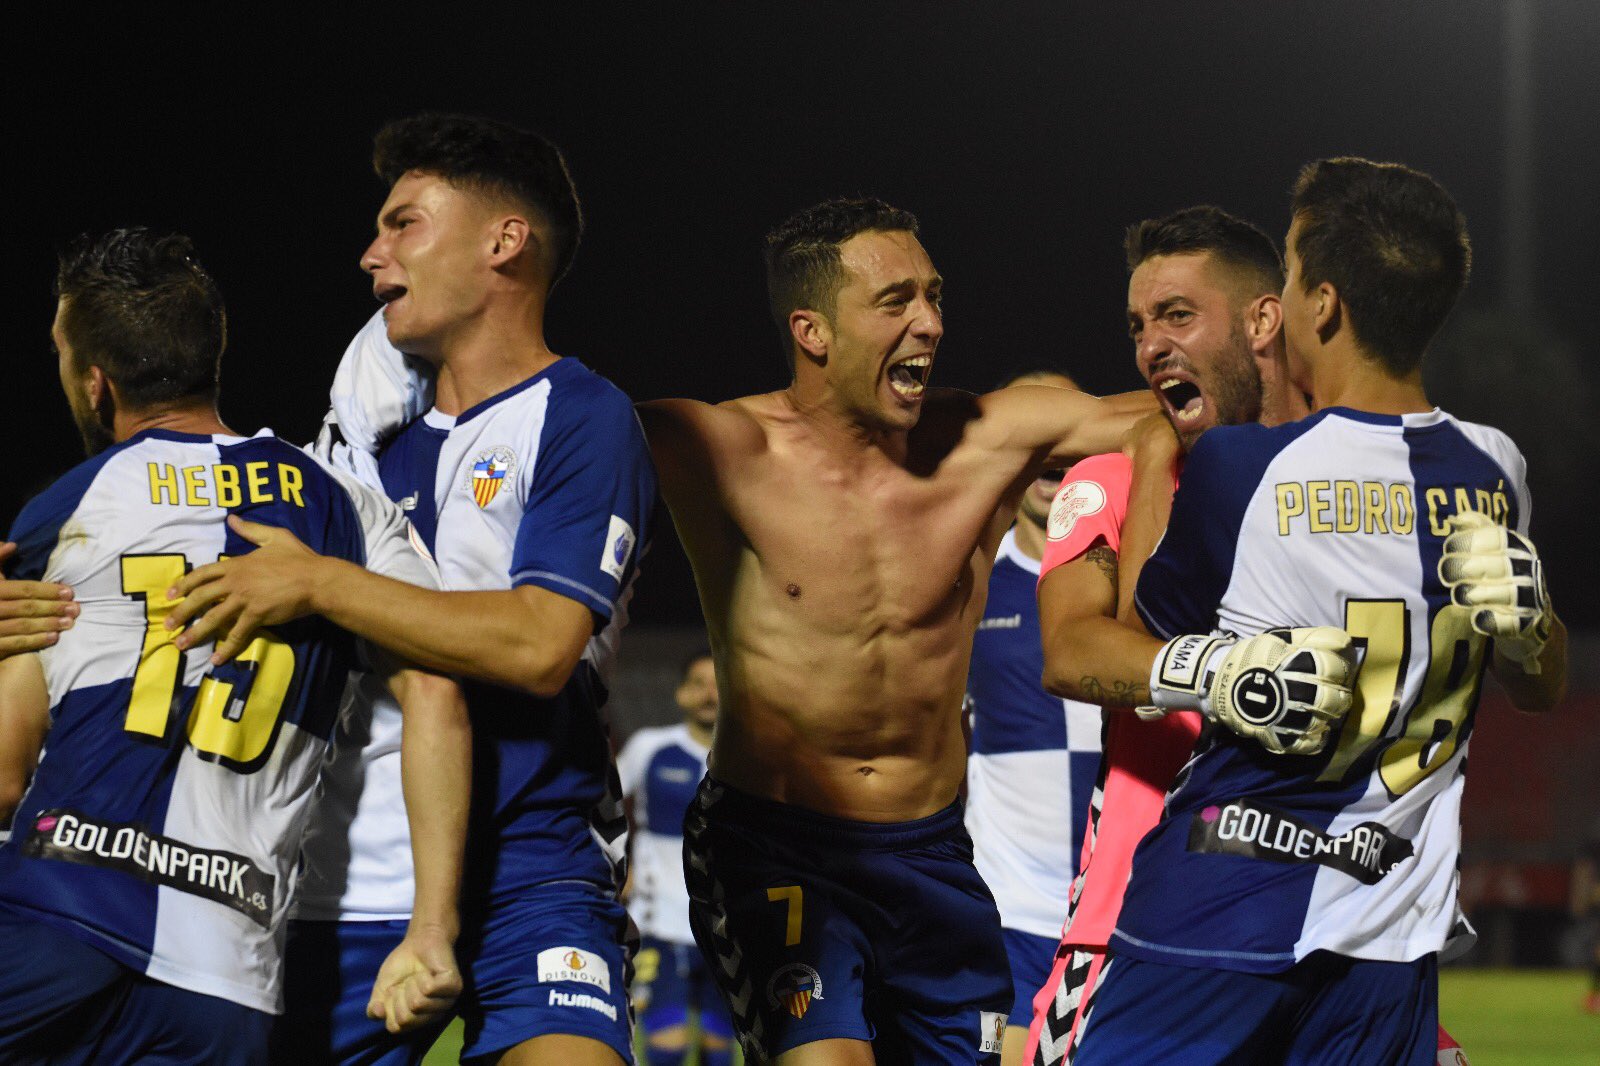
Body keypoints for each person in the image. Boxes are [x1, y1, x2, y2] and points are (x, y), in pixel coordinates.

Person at [635, 197, 1351, 1064]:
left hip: (933, 851)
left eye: (934, 295)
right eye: (896, 301)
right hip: (781, 848)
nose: (930, 323)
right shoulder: (720, 445)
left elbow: (1185, 408)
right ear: (812, 332)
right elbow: (565, 438)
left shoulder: (980, 436)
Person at [163, 114, 656, 1065]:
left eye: (404, 224)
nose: (371, 254)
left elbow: (537, 645)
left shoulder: (582, 419)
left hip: (534, 869)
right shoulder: (357, 443)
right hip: (348, 868)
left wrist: (324, 584)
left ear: (504, 242)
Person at [1050, 159, 1567, 1065]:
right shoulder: (1495, 470)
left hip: (1220, 905)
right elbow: (1536, 685)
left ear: (1319, 306)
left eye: (1286, 278)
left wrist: (1215, 670)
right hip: (1389, 936)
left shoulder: (1240, 470)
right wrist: (1537, 630)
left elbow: (1119, 654)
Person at [0, 228, 470, 1065]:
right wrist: (432, 928)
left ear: (95, 382)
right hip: (226, 978)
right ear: (210, 354)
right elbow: (437, 693)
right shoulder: (348, 511)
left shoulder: (67, 509)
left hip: (51, 924)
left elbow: (3, 773)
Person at [1026, 205, 1306, 1065]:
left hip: (1318, 917)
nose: (1151, 345)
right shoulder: (1104, 481)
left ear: (1265, 320)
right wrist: (1152, 456)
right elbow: (1076, 654)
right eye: (1140, 325)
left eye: (1177, 316)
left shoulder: (1338, 484)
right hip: (1131, 924)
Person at [963, 368, 1106, 1066]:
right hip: (1009, 913)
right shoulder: (963, 585)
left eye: (1070, 432)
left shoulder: (1136, 575)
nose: (1056, 450)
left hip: (1119, 914)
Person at [616, 648, 733, 1066]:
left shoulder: (750, 760)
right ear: (681, 694)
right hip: (657, 922)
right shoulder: (651, 747)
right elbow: (600, 808)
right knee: (668, 1045)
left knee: (720, 1050)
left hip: (727, 929)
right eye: (698, 684)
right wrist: (616, 873)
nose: (709, 695)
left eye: (719, 685)